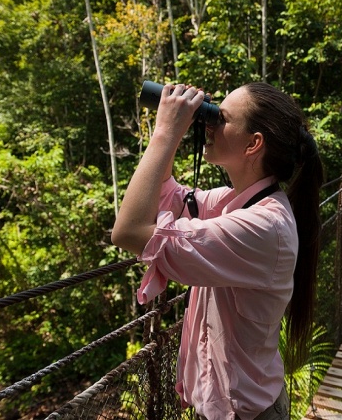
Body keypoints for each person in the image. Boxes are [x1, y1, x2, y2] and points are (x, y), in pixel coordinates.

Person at [111, 82, 324, 420]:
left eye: (220, 119)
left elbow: (128, 231)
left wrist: (166, 131)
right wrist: (171, 127)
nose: (208, 124)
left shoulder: (261, 226)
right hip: (231, 407)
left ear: (254, 144)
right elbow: (166, 196)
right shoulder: (235, 202)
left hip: (244, 413)